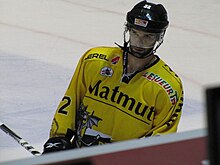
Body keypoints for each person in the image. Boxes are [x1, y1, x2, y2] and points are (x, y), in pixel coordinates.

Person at [43, 0, 184, 153]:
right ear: (128, 30)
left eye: (148, 36)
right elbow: (71, 101)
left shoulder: (168, 87)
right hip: (83, 154)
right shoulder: (94, 61)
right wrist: (58, 138)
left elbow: (161, 138)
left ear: (159, 37)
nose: (139, 42)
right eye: (135, 33)